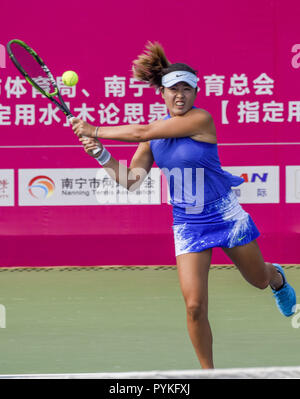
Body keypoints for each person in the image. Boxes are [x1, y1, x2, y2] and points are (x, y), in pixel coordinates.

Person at [71, 41, 297, 369]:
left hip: (226, 216)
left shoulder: (200, 120)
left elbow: (142, 129)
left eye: (186, 90)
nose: (179, 96)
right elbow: (133, 179)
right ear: (161, 94)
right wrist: (101, 156)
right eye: (172, 90)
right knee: (194, 306)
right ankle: (209, 373)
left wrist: (95, 129)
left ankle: (277, 279)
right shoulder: (153, 138)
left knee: (259, 281)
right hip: (189, 225)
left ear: (195, 93)